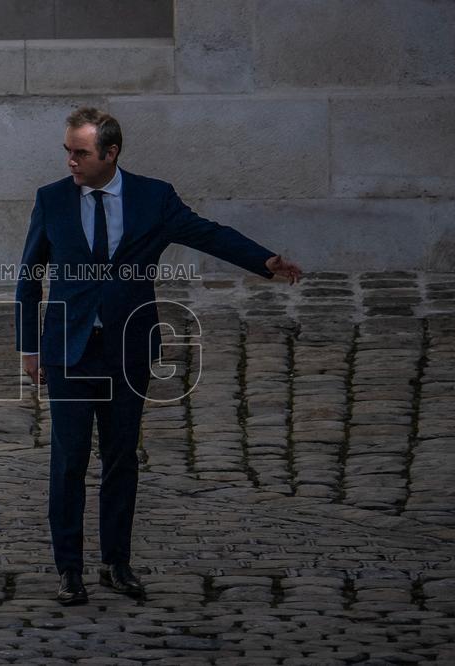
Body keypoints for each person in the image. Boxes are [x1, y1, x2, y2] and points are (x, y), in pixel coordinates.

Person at [16, 107, 302, 606]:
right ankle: (69, 570)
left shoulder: (153, 197)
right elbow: (28, 278)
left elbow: (206, 233)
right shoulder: (52, 200)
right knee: (68, 461)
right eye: (67, 151)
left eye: (80, 153)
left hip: (127, 348)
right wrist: (28, 346)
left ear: (111, 152)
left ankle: (116, 563)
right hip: (69, 351)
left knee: (122, 458)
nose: (70, 161)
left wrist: (263, 260)